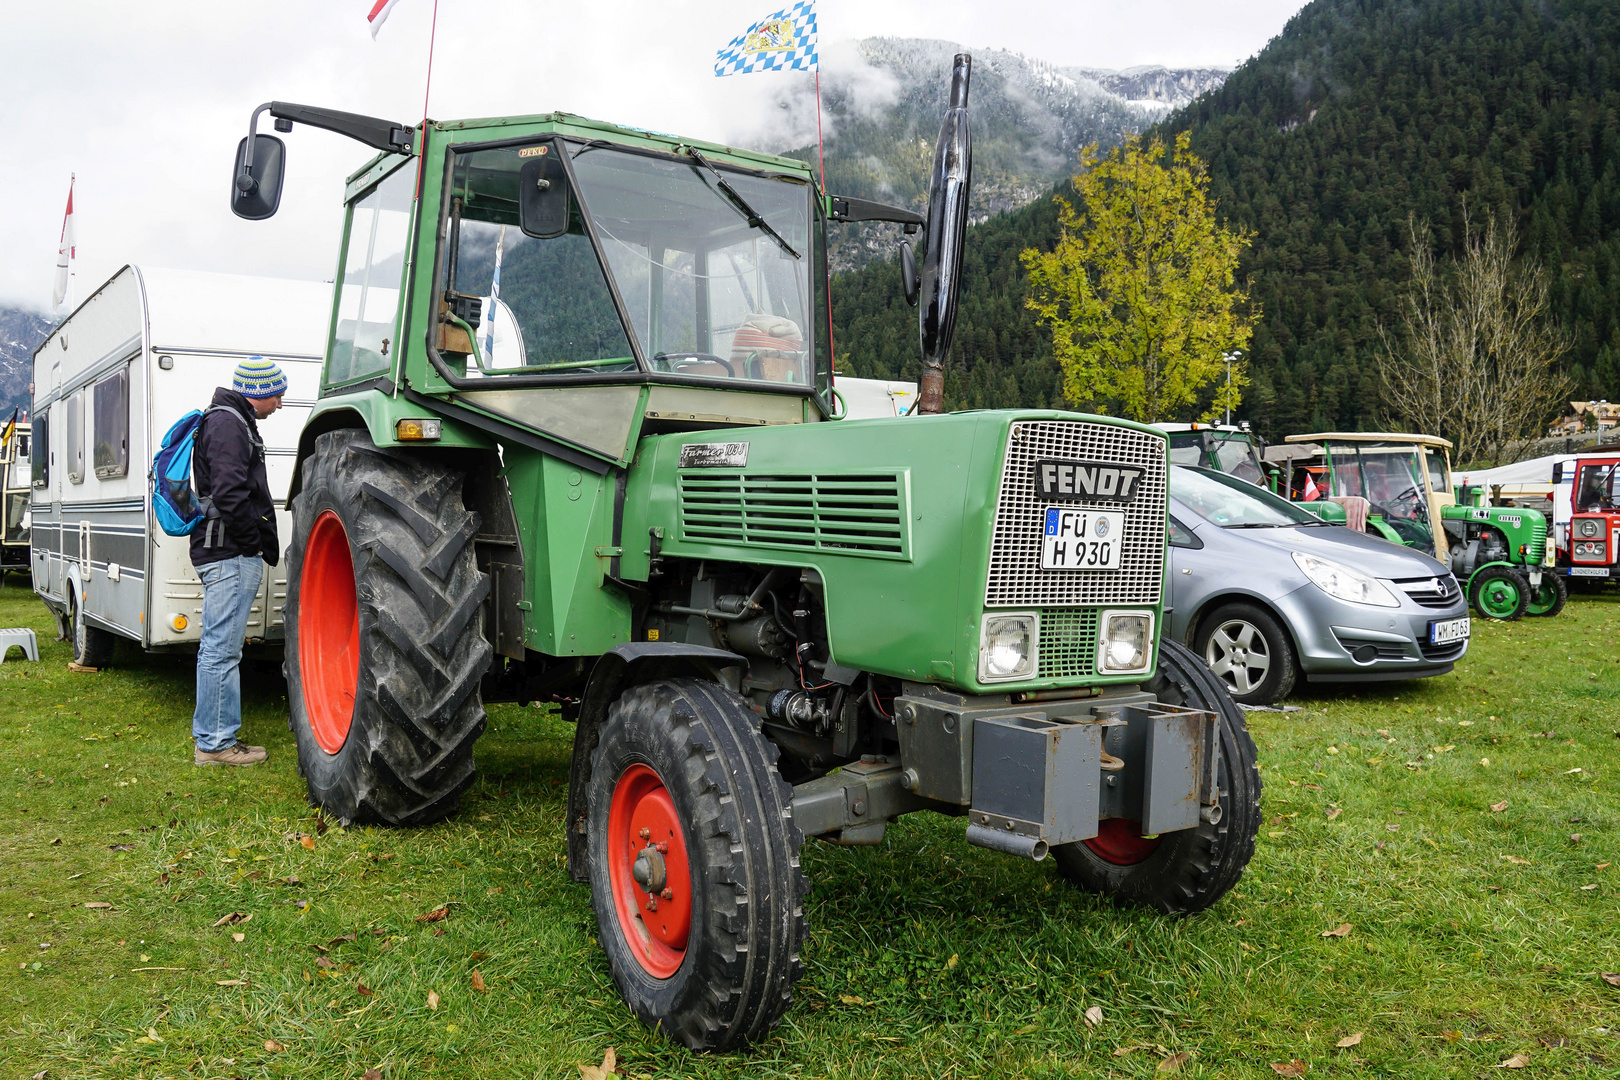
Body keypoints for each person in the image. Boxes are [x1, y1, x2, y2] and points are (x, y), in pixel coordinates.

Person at [191, 357, 286, 766]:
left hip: (227, 551)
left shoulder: (229, 420)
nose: (280, 403)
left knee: (221, 648)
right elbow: (230, 493)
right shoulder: (229, 424)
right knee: (221, 650)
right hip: (228, 553)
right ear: (259, 391)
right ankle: (214, 744)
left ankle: (215, 737)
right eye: (278, 394)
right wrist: (250, 543)